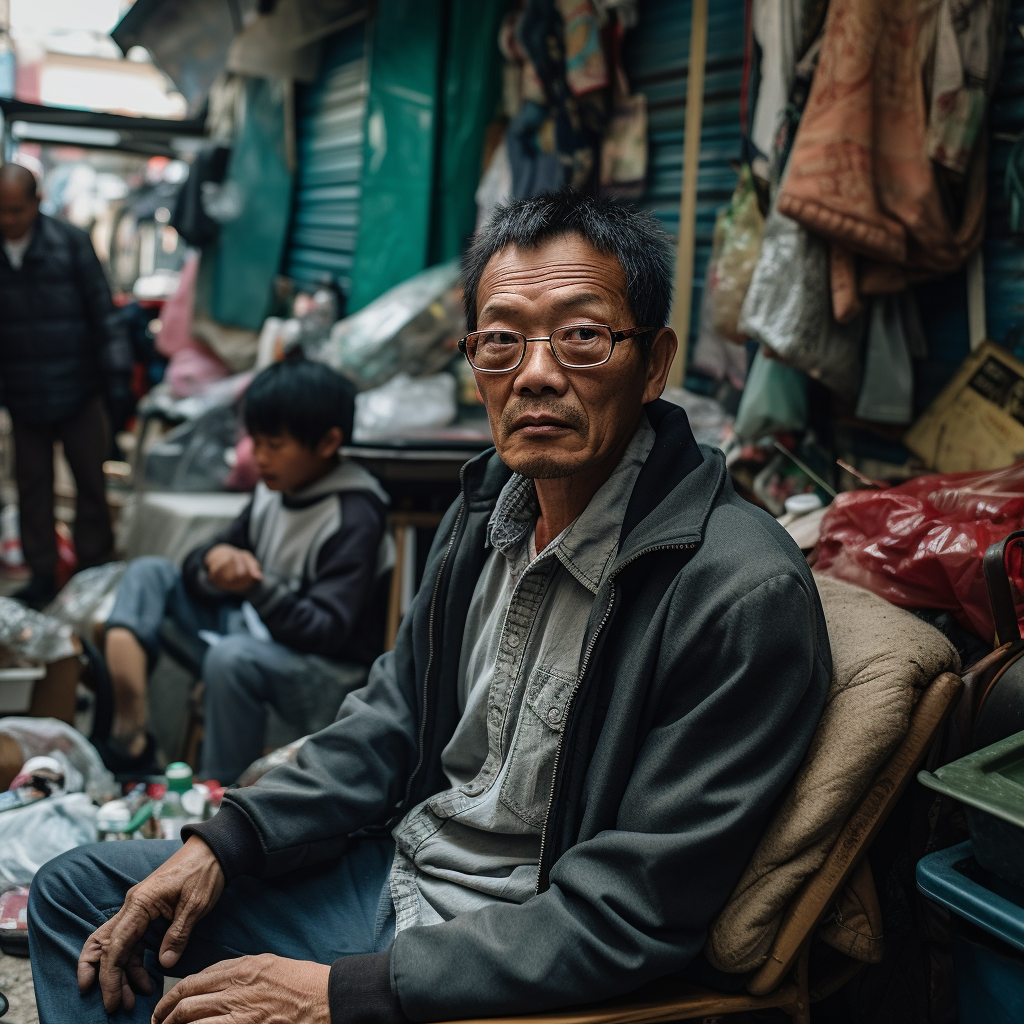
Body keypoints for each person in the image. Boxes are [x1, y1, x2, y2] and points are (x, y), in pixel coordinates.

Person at [29, 191, 831, 1024]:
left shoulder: (736, 591)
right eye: (501, 341)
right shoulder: (488, 511)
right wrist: (226, 842)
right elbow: (391, 719)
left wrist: (341, 993)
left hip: (506, 949)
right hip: (400, 876)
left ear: (654, 362)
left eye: (584, 336)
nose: (537, 373)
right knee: (81, 896)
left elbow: (630, 911)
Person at [98, 357, 391, 780]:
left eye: (275, 445)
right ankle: (131, 731)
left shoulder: (355, 513)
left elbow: (326, 631)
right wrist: (212, 565)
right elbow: (209, 557)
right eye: (255, 442)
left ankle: (225, 795)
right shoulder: (274, 491)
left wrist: (256, 586)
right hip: (254, 636)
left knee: (230, 659)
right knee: (148, 573)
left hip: (325, 674)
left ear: (327, 443)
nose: (260, 457)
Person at [0, 162, 134, 609]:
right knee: (32, 490)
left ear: (37, 203)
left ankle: (92, 572)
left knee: (90, 485)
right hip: (23, 396)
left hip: (79, 391)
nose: (8, 220)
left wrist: (117, 380)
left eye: (16, 210)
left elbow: (104, 313)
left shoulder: (71, 244)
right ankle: (42, 574)